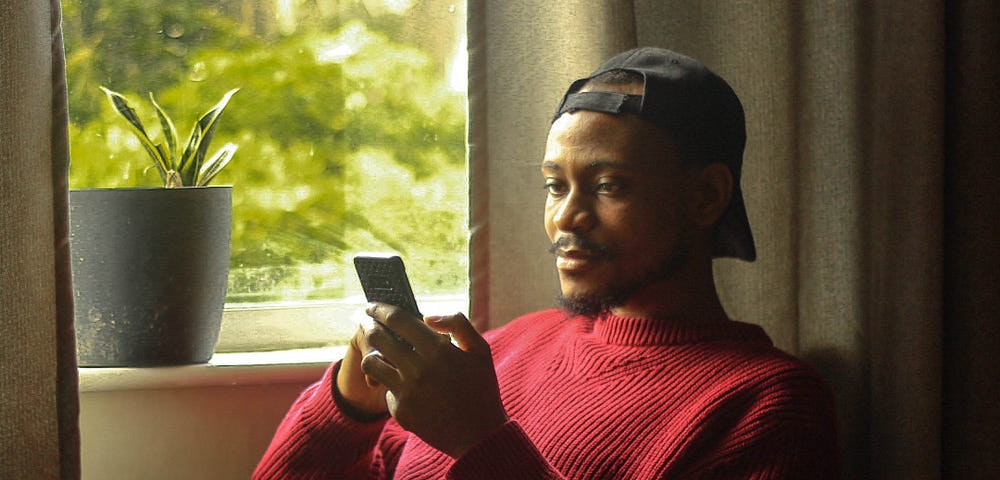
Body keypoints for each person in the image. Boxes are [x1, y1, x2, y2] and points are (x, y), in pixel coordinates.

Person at [253, 47, 839, 479]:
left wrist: (480, 440)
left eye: (608, 186)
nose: (567, 218)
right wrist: (348, 405)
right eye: (555, 187)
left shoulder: (766, 404)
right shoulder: (504, 350)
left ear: (705, 197)